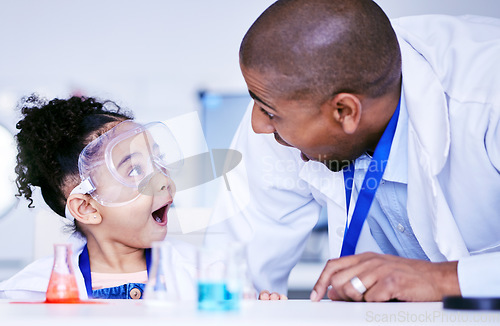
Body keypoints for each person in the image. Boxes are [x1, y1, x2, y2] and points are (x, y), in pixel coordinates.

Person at [209, 0, 500, 302]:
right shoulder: (288, 99)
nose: (258, 125)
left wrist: (444, 278)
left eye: (268, 112)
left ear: (345, 111)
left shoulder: (486, 99)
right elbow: (232, 267)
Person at [0, 95, 197, 300]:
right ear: (87, 208)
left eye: (159, 160)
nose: (162, 179)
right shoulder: (27, 294)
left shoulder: (203, 273)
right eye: (135, 169)